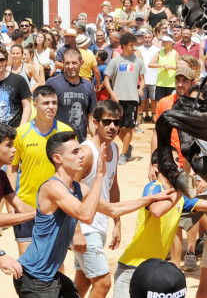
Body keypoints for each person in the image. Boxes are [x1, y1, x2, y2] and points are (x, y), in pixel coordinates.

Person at [13, 131, 174, 298]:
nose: (82, 154)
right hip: (33, 277)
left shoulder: (78, 188)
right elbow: (86, 215)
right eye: (75, 152)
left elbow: (114, 209)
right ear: (58, 158)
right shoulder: (52, 187)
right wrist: (99, 176)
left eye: (80, 150)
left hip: (51, 276)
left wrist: (151, 198)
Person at [114, 148, 207, 298]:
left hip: (153, 271)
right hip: (132, 267)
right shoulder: (154, 187)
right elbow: (156, 211)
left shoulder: (179, 198)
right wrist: (183, 188)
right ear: (155, 167)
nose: (176, 164)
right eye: (170, 160)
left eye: (177, 161)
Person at [7, 85, 73, 256]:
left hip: (57, 207)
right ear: (34, 105)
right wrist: (10, 202)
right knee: (27, 263)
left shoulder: (66, 132)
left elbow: (73, 171)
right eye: (46, 103)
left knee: (54, 264)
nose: (51, 107)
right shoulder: (21, 133)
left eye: (54, 102)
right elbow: (12, 169)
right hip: (25, 205)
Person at [71, 100, 123, 298]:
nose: (112, 127)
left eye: (117, 123)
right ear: (95, 122)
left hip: (99, 225)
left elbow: (114, 186)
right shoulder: (85, 152)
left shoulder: (115, 149)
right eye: (107, 121)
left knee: (83, 281)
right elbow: (69, 190)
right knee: (103, 283)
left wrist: (117, 222)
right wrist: (76, 231)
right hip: (84, 227)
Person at [103, 32, 145, 165]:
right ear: (123, 46)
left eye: (134, 45)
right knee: (117, 128)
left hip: (132, 98)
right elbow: (106, 79)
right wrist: (112, 93)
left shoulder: (138, 61)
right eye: (131, 45)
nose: (134, 48)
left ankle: (123, 153)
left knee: (129, 127)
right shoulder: (115, 61)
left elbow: (143, 80)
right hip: (117, 99)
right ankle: (128, 147)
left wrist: (140, 88)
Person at [46, 48, 97, 144]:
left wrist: (97, 143)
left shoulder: (88, 86)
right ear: (63, 63)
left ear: (81, 63)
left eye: (74, 63)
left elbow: (91, 119)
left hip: (79, 142)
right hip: (57, 143)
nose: (70, 66)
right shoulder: (52, 84)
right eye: (67, 63)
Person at [0, 46, 31, 127]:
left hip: (13, 133)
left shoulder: (19, 80)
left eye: (1, 60)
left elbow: (27, 106)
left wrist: (21, 129)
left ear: (6, 62)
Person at [137, 30, 160, 122]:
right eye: (145, 37)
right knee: (142, 98)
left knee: (153, 99)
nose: (147, 39)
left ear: (152, 38)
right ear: (143, 39)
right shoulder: (139, 49)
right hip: (142, 78)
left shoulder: (157, 50)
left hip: (154, 77)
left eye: (149, 37)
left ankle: (154, 115)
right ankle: (140, 116)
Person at [148, 34, 178, 102]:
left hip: (172, 83)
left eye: (165, 41)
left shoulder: (175, 53)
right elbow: (150, 64)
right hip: (160, 83)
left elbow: (179, 67)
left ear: (171, 42)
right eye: (163, 41)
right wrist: (160, 65)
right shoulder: (159, 52)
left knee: (171, 103)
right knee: (160, 103)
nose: (163, 42)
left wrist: (170, 67)